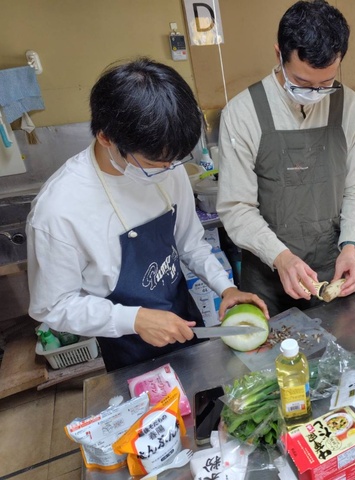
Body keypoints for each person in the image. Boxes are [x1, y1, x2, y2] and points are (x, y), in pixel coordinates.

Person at [27, 58, 268, 371]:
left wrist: (226, 287)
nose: (168, 171)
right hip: (125, 345)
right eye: (154, 163)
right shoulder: (59, 210)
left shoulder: (166, 166)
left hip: (184, 318)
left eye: (173, 162)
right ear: (106, 137)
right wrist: (135, 319)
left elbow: (190, 242)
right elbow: (53, 306)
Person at [217, 0, 355, 315]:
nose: (315, 93)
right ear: (279, 54)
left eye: (326, 84)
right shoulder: (242, 112)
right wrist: (281, 257)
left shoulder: (352, 107)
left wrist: (350, 246)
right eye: (303, 83)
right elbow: (237, 208)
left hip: (331, 270)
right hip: (267, 276)